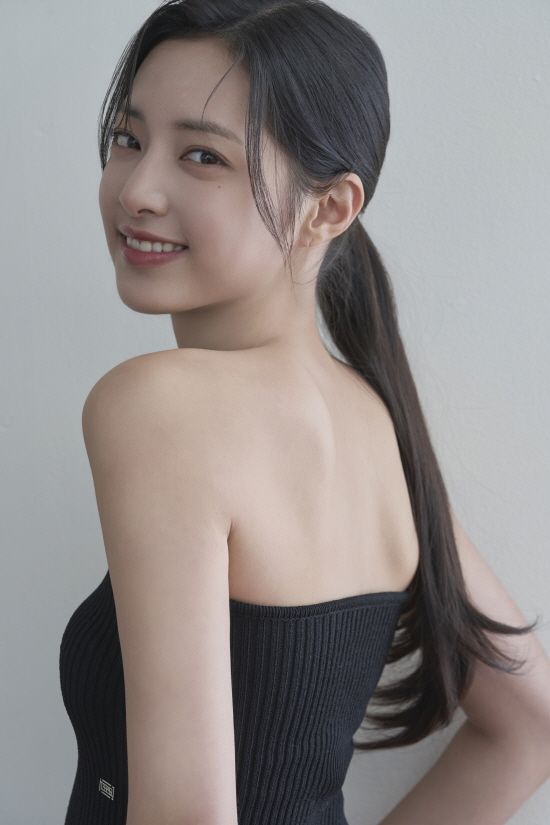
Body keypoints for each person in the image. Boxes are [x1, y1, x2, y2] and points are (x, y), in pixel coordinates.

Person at [59, 2, 550, 824]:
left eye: (203, 155)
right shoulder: (376, 421)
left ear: (330, 208)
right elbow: (530, 725)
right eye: (128, 138)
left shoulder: (156, 406)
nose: (137, 189)